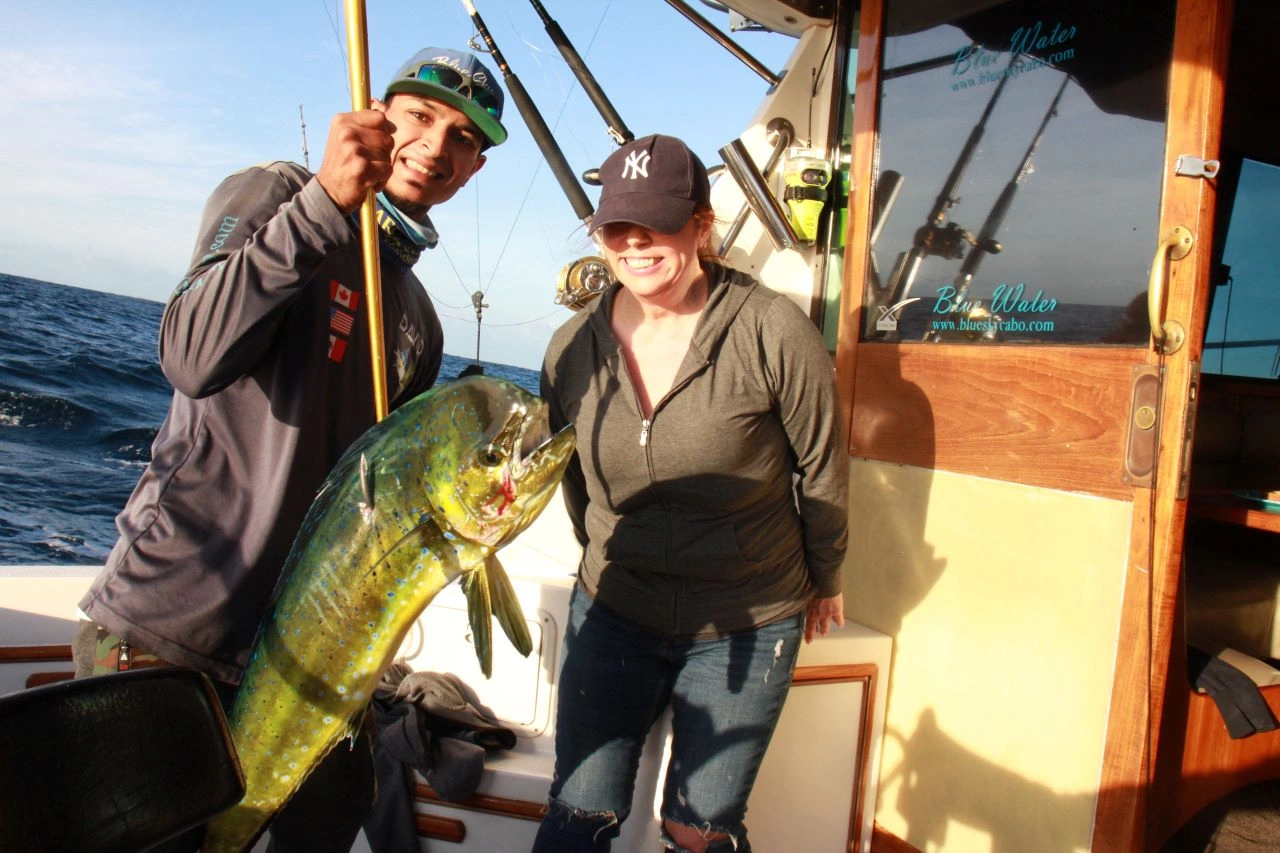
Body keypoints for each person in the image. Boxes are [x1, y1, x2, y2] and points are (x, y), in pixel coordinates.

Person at [73, 46, 507, 851]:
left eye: (464, 139)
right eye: (420, 116)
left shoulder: (419, 319)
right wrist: (323, 207)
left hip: (315, 661)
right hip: (176, 630)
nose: (436, 147)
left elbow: (384, 505)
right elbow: (191, 354)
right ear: (376, 113)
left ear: (475, 169)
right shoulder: (274, 193)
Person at [533, 134, 850, 853]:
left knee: (700, 830)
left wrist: (827, 575)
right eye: (617, 226)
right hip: (615, 609)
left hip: (748, 619)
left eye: (658, 223)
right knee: (578, 813)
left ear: (702, 227)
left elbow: (822, 466)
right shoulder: (570, 349)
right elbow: (572, 481)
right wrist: (609, 559)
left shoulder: (773, 329)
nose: (635, 242)